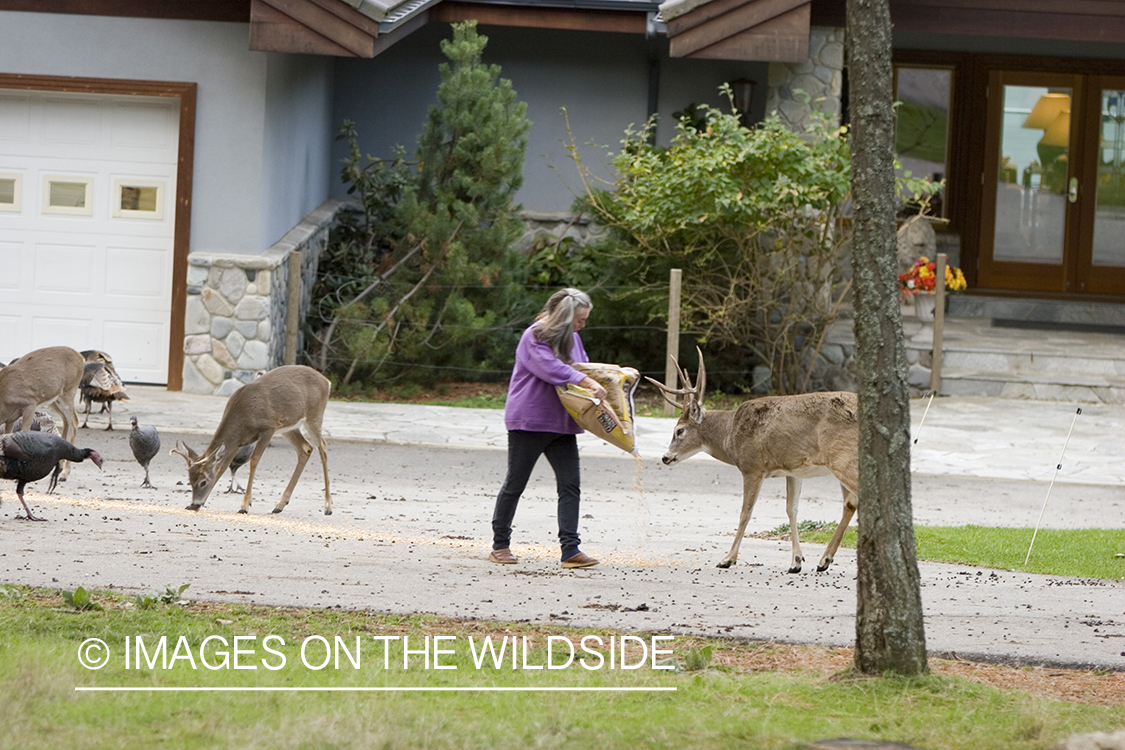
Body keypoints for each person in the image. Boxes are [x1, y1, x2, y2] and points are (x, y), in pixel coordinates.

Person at [489, 288, 606, 569]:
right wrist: (587, 382)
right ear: (565, 318)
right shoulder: (535, 336)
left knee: (570, 485)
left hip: (563, 423)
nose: (582, 325)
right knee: (516, 483)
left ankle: (570, 550)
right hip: (529, 422)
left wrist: (615, 375)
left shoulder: (573, 339)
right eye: (580, 320)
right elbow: (551, 368)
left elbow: (583, 368)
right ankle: (500, 545)